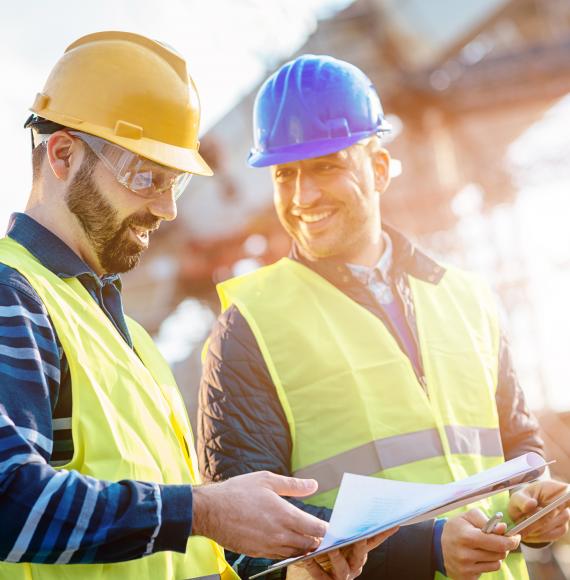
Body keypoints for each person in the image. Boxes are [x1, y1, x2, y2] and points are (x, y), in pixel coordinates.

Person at [0, 34, 394, 580]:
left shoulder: (130, 340)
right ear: (63, 154)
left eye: (175, 183)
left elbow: (176, 557)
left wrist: (291, 569)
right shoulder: (11, 296)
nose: (164, 209)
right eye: (146, 178)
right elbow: (8, 500)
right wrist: (205, 509)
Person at [198, 54, 570, 579]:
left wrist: (531, 502)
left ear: (376, 168)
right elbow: (247, 535)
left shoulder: (468, 297)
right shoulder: (248, 327)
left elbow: (517, 445)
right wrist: (427, 547)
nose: (303, 197)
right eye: (285, 174)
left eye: (326, 166)